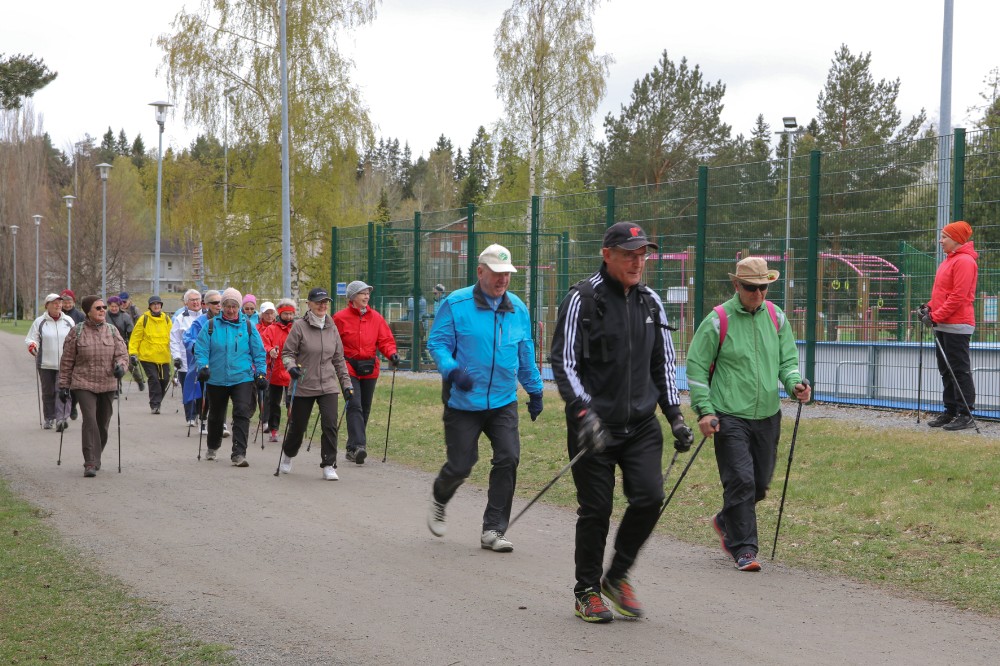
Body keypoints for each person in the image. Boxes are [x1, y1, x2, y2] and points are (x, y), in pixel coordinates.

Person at [550, 222, 692, 623]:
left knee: (649, 498)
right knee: (596, 509)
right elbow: (564, 361)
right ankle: (587, 591)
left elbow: (664, 363)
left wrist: (675, 416)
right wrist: (583, 413)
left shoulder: (651, 303)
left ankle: (617, 576)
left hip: (641, 424)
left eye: (642, 254)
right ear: (607, 254)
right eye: (629, 254)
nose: (637, 262)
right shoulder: (582, 299)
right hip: (594, 425)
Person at [686, 256, 810, 574]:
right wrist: (705, 410)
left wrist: (795, 384)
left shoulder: (776, 317)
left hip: (768, 413)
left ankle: (725, 519)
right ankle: (744, 548)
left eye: (763, 288)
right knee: (740, 480)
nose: (758, 294)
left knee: (759, 484)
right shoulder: (718, 320)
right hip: (728, 414)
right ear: (736, 285)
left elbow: (788, 361)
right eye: (750, 287)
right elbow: (696, 368)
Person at [425, 244, 543, 553]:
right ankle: (440, 497)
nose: (503, 279)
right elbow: (437, 343)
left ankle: (493, 529)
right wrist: (452, 371)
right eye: (496, 273)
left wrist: (535, 389)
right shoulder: (456, 303)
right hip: (463, 401)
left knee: (508, 458)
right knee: (462, 465)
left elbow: (524, 351)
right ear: (480, 272)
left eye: (507, 274)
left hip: (503, 400)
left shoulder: (518, 308)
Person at [279, 287, 353, 480]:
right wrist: (291, 367)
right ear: (309, 304)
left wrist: (347, 385)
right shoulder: (299, 326)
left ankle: (329, 464)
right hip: (304, 383)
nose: (322, 305)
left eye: (325, 302)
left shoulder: (332, 327)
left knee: (330, 424)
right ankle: (288, 453)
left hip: (328, 384)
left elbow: (339, 359)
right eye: (318, 302)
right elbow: (287, 353)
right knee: (298, 427)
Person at [194, 287, 267, 466]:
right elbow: (201, 349)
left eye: (234, 306)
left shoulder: (248, 326)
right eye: (227, 305)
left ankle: (239, 454)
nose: (231, 310)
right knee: (216, 416)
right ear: (222, 306)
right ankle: (213, 446)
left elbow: (258, 352)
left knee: (242, 412)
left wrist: (261, 372)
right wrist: (203, 366)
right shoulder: (211, 326)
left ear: (239, 307)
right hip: (216, 378)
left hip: (242, 377)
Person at [58, 295, 129, 477]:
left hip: (107, 383)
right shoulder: (77, 331)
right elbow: (67, 360)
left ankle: (96, 456)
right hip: (83, 382)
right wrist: (63, 385)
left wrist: (121, 367)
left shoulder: (112, 331)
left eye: (104, 307)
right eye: (98, 308)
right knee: (90, 420)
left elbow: (122, 355)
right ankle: (90, 462)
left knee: (102, 424)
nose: (103, 310)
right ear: (88, 312)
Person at [918, 220, 979, 431]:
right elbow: (942, 294)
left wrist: (936, 316)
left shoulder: (964, 262)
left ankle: (966, 414)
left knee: (959, 371)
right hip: (943, 324)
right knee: (946, 371)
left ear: (956, 239)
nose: (940, 240)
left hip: (957, 325)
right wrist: (928, 307)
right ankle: (951, 411)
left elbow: (958, 297)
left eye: (944, 237)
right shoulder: (949, 260)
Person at [333, 280, 399, 464]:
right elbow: (333, 342)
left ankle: (352, 448)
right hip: (348, 367)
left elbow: (385, 340)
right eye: (363, 293)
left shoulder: (376, 317)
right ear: (353, 296)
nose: (366, 296)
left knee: (365, 407)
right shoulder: (340, 318)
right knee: (354, 404)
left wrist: (392, 354)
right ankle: (359, 446)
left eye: (368, 293)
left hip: (370, 367)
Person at [25, 293, 75, 431]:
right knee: (48, 392)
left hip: (65, 364)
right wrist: (32, 345)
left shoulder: (69, 321)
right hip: (45, 363)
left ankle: (61, 419)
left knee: (62, 390)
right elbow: (31, 338)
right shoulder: (39, 321)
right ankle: (49, 418)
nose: (58, 305)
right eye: (54, 303)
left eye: (59, 303)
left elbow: (75, 339)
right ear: (47, 305)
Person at [183, 290, 225, 436]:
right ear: (206, 305)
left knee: (222, 392)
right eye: (215, 303)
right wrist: (196, 347)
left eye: (220, 302)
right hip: (204, 363)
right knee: (204, 393)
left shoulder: (226, 320)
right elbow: (188, 338)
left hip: (222, 362)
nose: (218, 305)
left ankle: (222, 422)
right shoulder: (199, 322)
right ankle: (202, 419)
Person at [128, 295, 173, 414]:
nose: (156, 306)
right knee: (154, 379)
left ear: (161, 306)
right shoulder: (143, 319)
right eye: (154, 304)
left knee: (165, 380)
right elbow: (135, 337)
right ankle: (155, 405)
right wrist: (133, 353)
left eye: (158, 304)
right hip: (147, 356)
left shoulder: (167, 319)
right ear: (150, 306)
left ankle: (157, 401)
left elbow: (172, 337)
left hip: (163, 356)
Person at [261, 298, 296, 442]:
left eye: (291, 314)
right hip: (275, 371)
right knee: (274, 402)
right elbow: (263, 344)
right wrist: (270, 350)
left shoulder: (296, 329)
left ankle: (293, 429)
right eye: (285, 314)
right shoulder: (271, 329)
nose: (288, 316)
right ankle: (273, 429)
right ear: (280, 314)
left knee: (292, 402)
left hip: (291, 372)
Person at [170, 289, 203, 427]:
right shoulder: (180, 318)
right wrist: (176, 357)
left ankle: (202, 414)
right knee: (188, 387)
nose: (195, 302)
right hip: (185, 360)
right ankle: (190, 416)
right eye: (192, 300)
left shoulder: (207, 317)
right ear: (186, 303)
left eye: (197, 299)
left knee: (202, 387)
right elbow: (174, 339)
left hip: (202, 360)